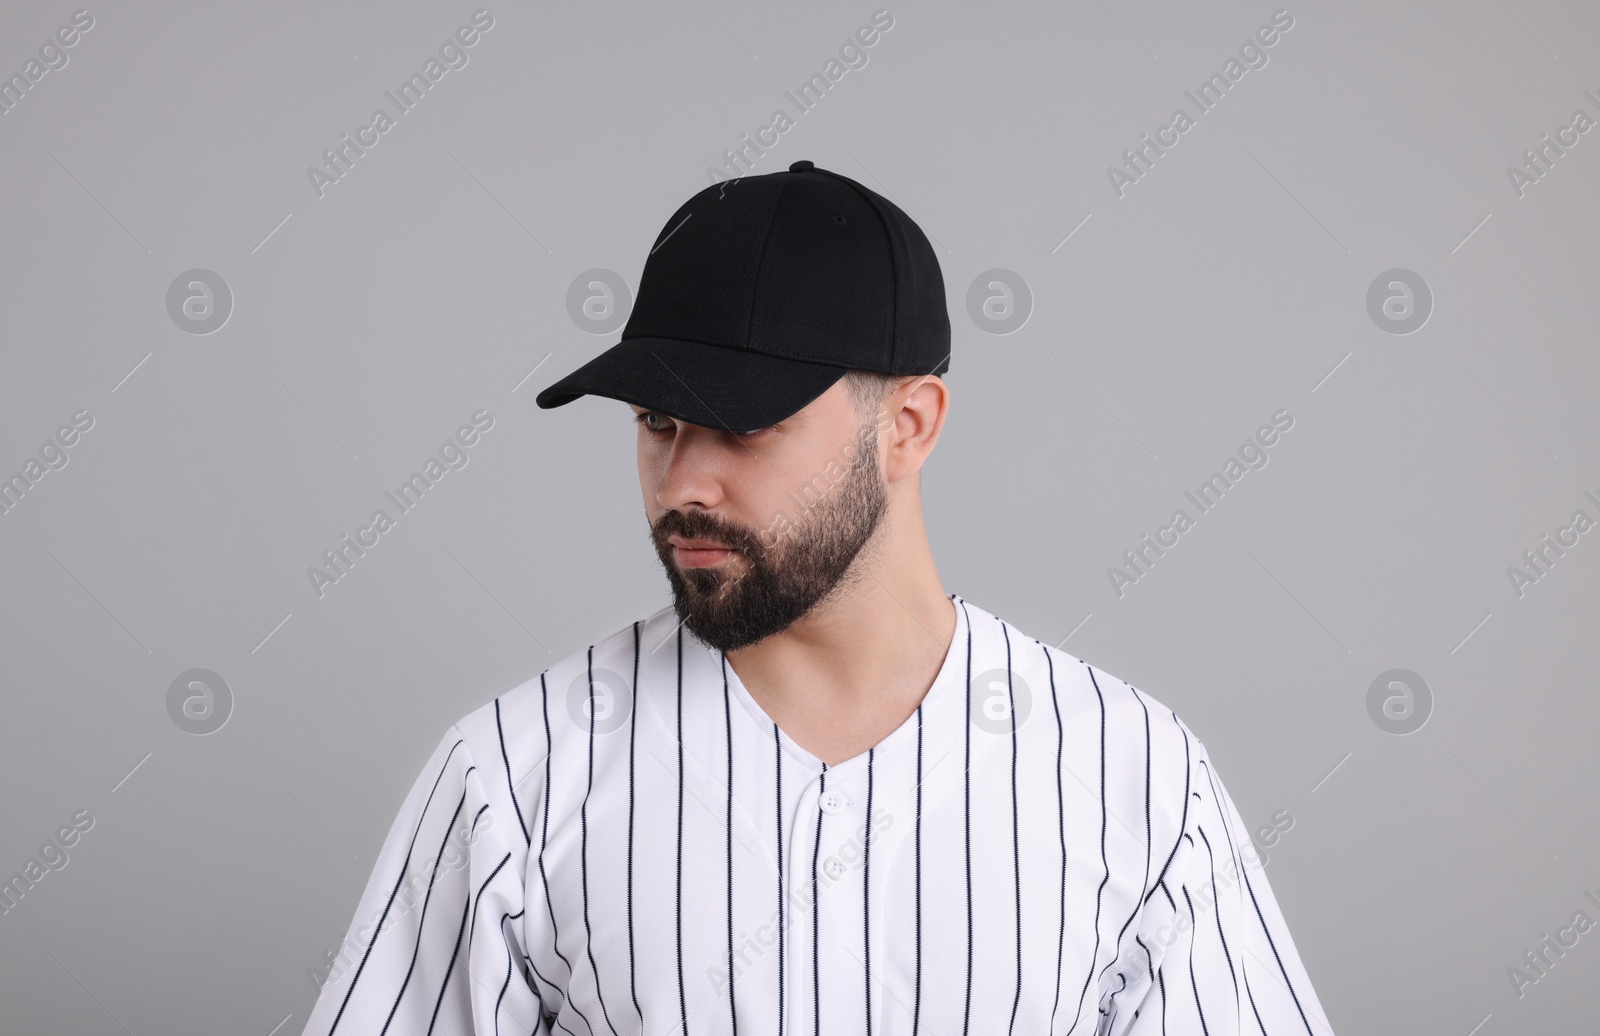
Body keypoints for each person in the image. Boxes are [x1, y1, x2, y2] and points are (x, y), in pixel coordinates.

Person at [300, 160, 1335, 1036]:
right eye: (657, 418)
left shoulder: (1131, 775)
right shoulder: (514, 777)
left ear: (909, 424)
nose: (682, 483)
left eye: (744, 424)